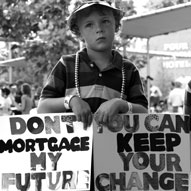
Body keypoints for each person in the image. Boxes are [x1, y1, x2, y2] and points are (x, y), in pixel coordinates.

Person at [37, 1, 148, 189]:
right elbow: (43, 108)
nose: (99, 29)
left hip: (117, 164)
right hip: (72, 165)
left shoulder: (128, 70)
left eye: (105, 21)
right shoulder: (66, 65)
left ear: (116, 26)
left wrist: (121, 104)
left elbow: (143, 112)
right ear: (78, 32)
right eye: (89, 24)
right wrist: (71, 101)